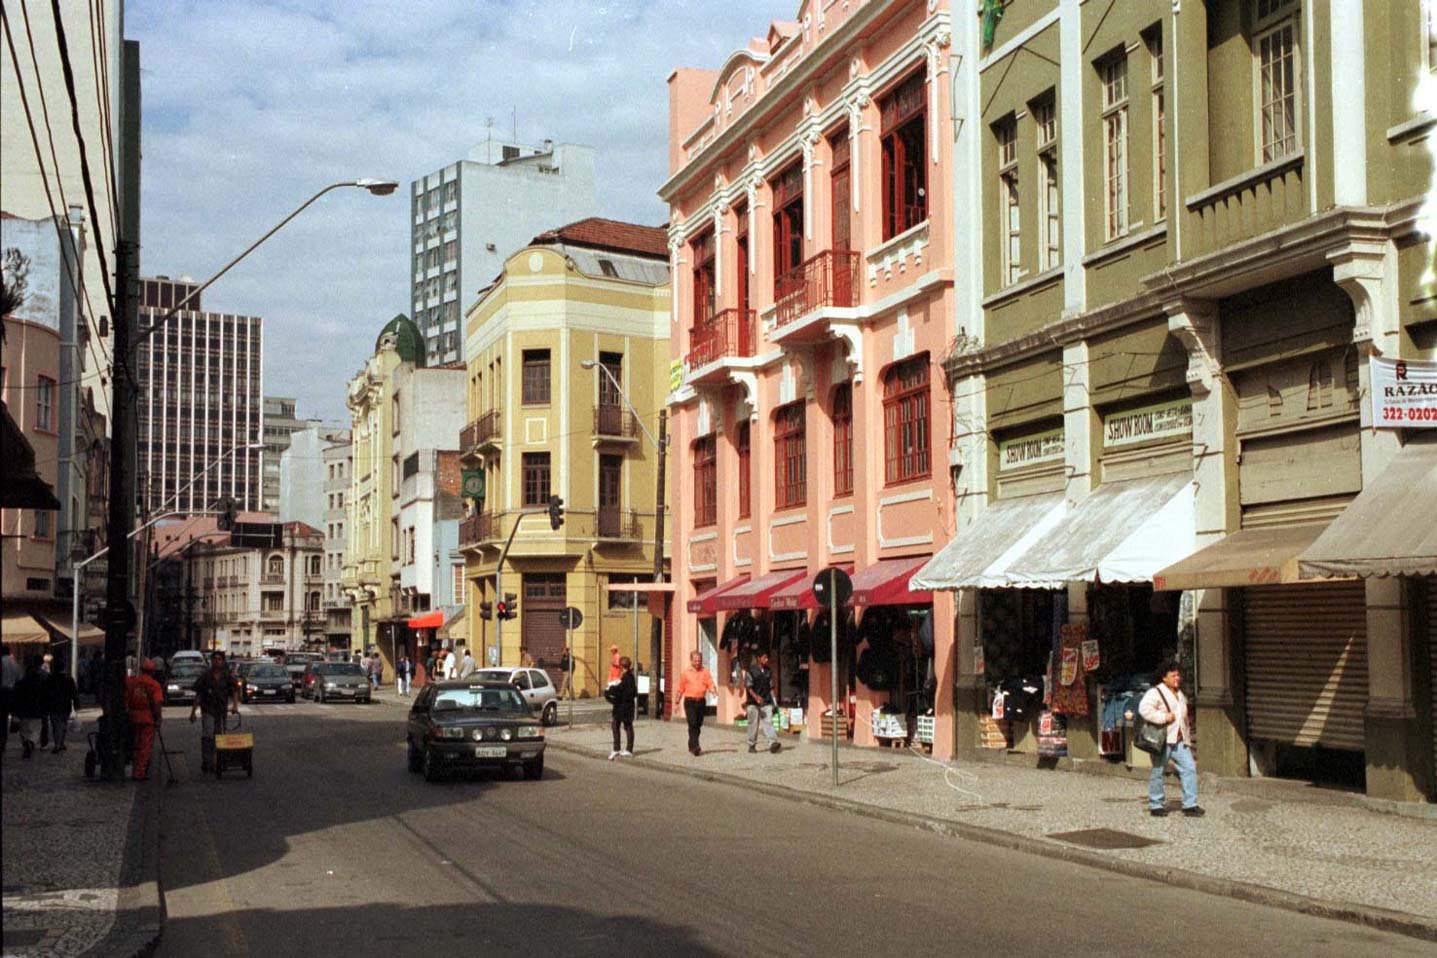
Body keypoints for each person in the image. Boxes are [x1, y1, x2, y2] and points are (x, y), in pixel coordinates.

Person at [1138, 660, 1204, 818]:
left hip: (1179, 740)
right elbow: (1144, 710)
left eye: (1178, 674)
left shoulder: (1179, 693)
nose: (1177, 677)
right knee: (1158, 771)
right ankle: (1156, 804)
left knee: (1189, 768)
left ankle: (1190, 804)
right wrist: (1164, 717)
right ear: (1164, 678)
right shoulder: (1155, 693)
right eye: (1173, 675)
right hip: (1163, 740)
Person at [190, 650, 240, 773]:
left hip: (221, 711)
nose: (217, 661)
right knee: (208, 735)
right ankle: (207, 762)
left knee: (219, 737)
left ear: (222, 661)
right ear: (211, 661)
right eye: (215, 659)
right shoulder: (205, 676)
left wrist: (235, 706)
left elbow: (234, 690)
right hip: (208, 709)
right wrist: (193, 712)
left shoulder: (227, 675)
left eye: (219, 659)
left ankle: (218, 761)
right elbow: (198, 695)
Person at [124, 659, 164, 780]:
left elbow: (127, 699)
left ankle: (135, 769)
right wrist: (158, 718)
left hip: (133, 716)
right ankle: (139, 773)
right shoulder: (154, 685)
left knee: (135, 744)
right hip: (148, 718)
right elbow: (157, 704)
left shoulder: (133, 682)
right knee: (145, 747)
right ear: (153, 672)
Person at [674, 650, 716, 756]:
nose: (697, 662)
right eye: (695, 660)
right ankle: (696, 746)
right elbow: (680, 688)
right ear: (691, 660)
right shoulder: (686, 673)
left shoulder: (705, 671)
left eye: (699, 660)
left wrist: (713, 690)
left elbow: (710, 683)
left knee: (698, 724)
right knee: (692, 723)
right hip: (690, 701)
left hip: (701, 701)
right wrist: (677, 702)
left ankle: (691, 743)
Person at [744, 650, 781, 754]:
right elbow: (748, 687)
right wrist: (756, 698)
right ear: (758, 658)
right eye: (764, 657)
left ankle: (773, 743)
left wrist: (774, 701)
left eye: (767, 658)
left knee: (768, 722)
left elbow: (771, 687)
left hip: (766, 701)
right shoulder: (751, 671)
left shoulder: (768, 671)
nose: (766, 660)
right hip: (753, 702)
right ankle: (752, 745)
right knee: (753, 724)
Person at [12, 657, 46, 759]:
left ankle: (27, 742)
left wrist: (14, 711)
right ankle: (31, 742)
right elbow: (44, 697)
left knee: (24, 730)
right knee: (35, 730)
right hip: (37, 710)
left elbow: (16, 698)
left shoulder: (20, 684)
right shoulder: (40, 683)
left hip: (23, 711)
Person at [43, 659, 80, 753]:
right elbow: (74, 693)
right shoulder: (69, 679)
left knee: (56, 725)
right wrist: (76, 705)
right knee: (64, 724)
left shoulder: (50, 679)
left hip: (53, 705)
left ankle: (57, 744)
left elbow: (46, 693)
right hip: (65, 705)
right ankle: (61, 742)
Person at [606, 656, 637, 760]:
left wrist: (609, 690)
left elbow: (620, 690)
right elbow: (632, 692)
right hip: (626, 706)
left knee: (618, 725)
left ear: (621, 666)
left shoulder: (626, 678)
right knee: (625, 726)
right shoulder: (630, 677)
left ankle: (619, 749)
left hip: (622, 707)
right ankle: (626, 749)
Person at [0, 643, 21, 755]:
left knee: (2, 720)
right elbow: (18, 680)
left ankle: (2, 742)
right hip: (12, 693)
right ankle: (4, 741)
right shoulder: (15, 664)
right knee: (9, 717)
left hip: (2, 692)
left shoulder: (2, 662)